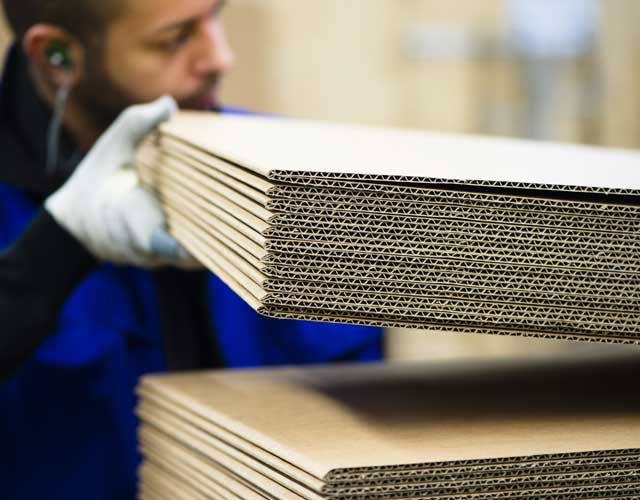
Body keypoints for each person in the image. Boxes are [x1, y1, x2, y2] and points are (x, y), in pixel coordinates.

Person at [0, 1, 383, 498]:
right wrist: (54, 248)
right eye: (174, 39)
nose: (220, 57)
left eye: (215, 15)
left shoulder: (295, 175)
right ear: (58, 55)